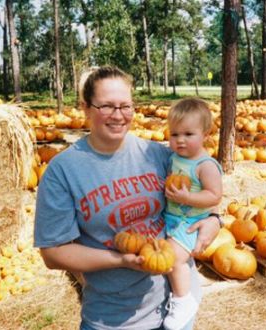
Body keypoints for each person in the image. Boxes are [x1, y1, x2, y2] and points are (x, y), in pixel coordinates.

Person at [34, 66, 221, 330]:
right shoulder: (62, 171)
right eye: (107, 106)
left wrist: (214, 218)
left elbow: (205, 182)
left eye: (126, 106)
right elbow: (52, 253)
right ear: (86, 108)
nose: (119, 116)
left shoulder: (157, 154)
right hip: (113, 317)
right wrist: (120, 260)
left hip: (176, 307)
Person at [162, 98, 223, 330]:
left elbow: (214, 196)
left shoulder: (205, 165)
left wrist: (187, 198)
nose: (180, 140)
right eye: (174, 134)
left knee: (172, 259)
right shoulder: (175, 157)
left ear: (206, 134)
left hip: (191, 222)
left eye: (188, 134)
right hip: (172, 218)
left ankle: (182, 299)